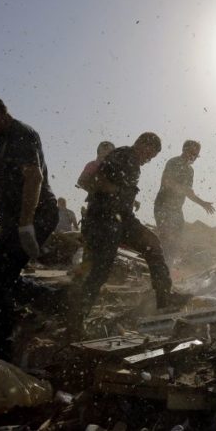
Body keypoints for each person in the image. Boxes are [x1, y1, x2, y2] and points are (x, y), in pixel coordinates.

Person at [0, 94, 58, 360]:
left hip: (36, 215)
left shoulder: (21, 134)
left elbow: (34, 177)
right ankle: (60, 303)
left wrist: (27, 223)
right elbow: (4, 188)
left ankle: (0, 347)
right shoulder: (2, 141)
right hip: (14, 219)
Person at [68, 133, 187, 333]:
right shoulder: (123, 156)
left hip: (122, 218)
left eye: (153, 157)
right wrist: (115, 192)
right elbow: (92, 181)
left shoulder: (131, 161)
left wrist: (125, 197)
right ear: (142, 144)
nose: (149, 160)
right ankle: (76, 321)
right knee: (98, 271)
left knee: (152, 244)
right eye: (149, 154)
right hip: (104, 219)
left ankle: (164, 298)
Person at [154, 140, 215, 261]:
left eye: (196, 155)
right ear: (184, 150)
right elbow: (166, 181)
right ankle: (159, 264)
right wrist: (182, 189)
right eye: (191, 153)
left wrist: (202, 203)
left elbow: (189, 193)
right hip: (163, 206)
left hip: (177, 210)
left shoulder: (190, 171)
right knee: (166, 238)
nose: (193, 157)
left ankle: (168, 266)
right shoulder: (173, 162)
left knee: (176, 240)